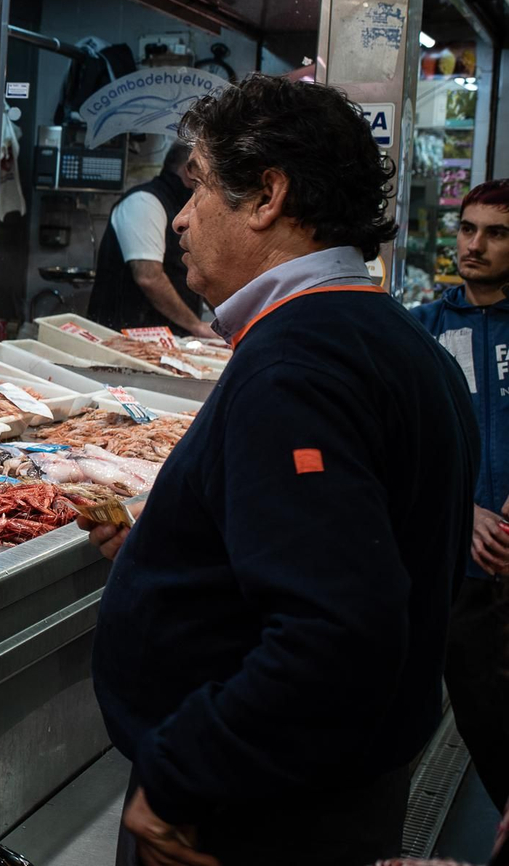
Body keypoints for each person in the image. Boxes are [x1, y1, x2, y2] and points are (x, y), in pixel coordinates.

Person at [81, 74, 478, 866]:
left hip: (257, 811)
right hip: (334, 782)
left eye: (197, 187)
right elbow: (358, 545)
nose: (182, 219)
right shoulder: (395, 341)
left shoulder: (296, 366)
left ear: (266, 195)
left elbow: (338, 628)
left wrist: (184, 772)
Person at [413, 179, 509, 814]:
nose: (474, 245)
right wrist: (463, 508)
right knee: (485, 720)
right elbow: (412, 443)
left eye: (496, 233)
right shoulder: (423, 328)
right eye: (467, 228)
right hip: (465, 570)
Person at [87, 140, 211, 337]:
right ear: (189, 169)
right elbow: (149, 277)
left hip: (170, 340)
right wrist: (196, 326)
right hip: (124, 340)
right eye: (206, 175)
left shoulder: (180, 208)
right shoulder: (144, 202)